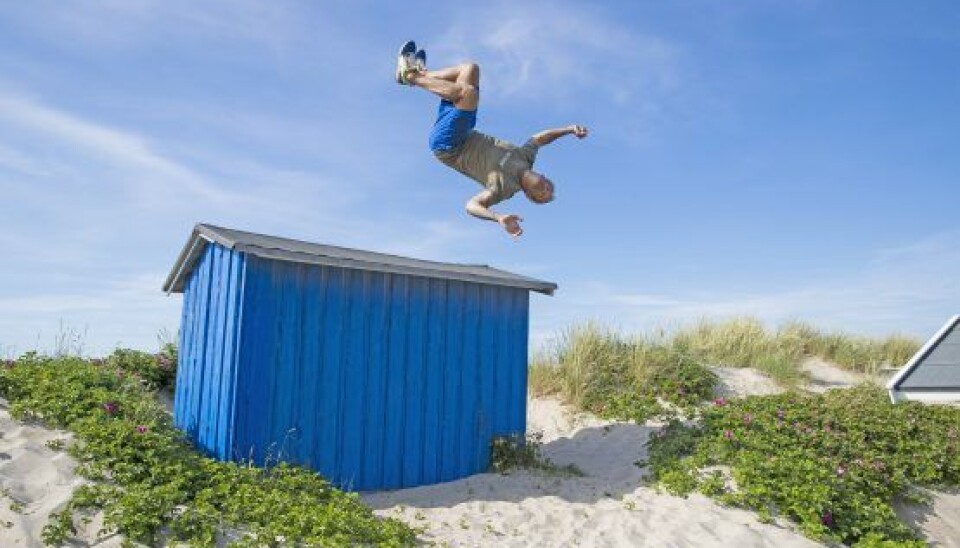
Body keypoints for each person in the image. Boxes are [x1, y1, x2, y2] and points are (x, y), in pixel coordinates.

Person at [395, 40, 589, 238]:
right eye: (549, 186)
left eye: (542, 193)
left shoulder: (504, 189)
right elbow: (540, 138)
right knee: (470, 70)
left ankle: (409, 75)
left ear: (529, 195)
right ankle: (420, 74)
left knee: (467, 94)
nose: (546, 187)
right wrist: (569, 129)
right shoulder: (526, 158)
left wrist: (497, 218)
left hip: (449, 145)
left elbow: (471, 206)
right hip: (466, 130)